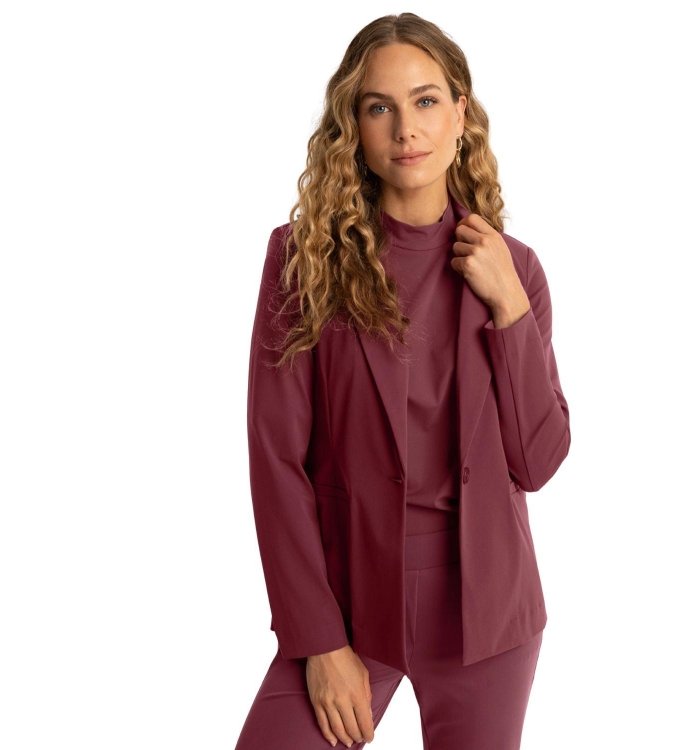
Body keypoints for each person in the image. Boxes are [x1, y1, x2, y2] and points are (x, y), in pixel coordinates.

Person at [235, 13, 571, 750]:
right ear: (352, 127)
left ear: (460, 113)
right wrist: (319, 640)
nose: (406, 129)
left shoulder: (516, 268)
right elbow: (275, 461)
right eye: (378, 107)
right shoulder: (302, 262)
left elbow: (538, 462)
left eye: (425, 101)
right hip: (351, 598)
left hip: (487, 614)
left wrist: (509, 309)